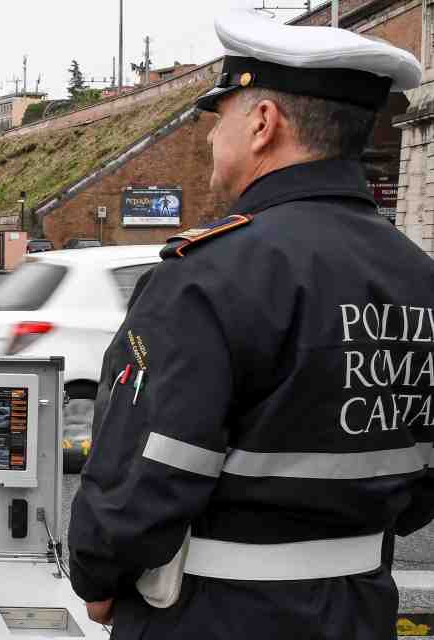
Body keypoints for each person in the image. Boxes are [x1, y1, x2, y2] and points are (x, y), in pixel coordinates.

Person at [69, 10, 426, 640]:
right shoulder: (418, 275)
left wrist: (98, 576)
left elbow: (147, 471)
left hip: (213, 615)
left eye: (221, 115)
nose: (211, 136)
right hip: (361, 610)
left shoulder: (209, 275)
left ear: (263, 123)